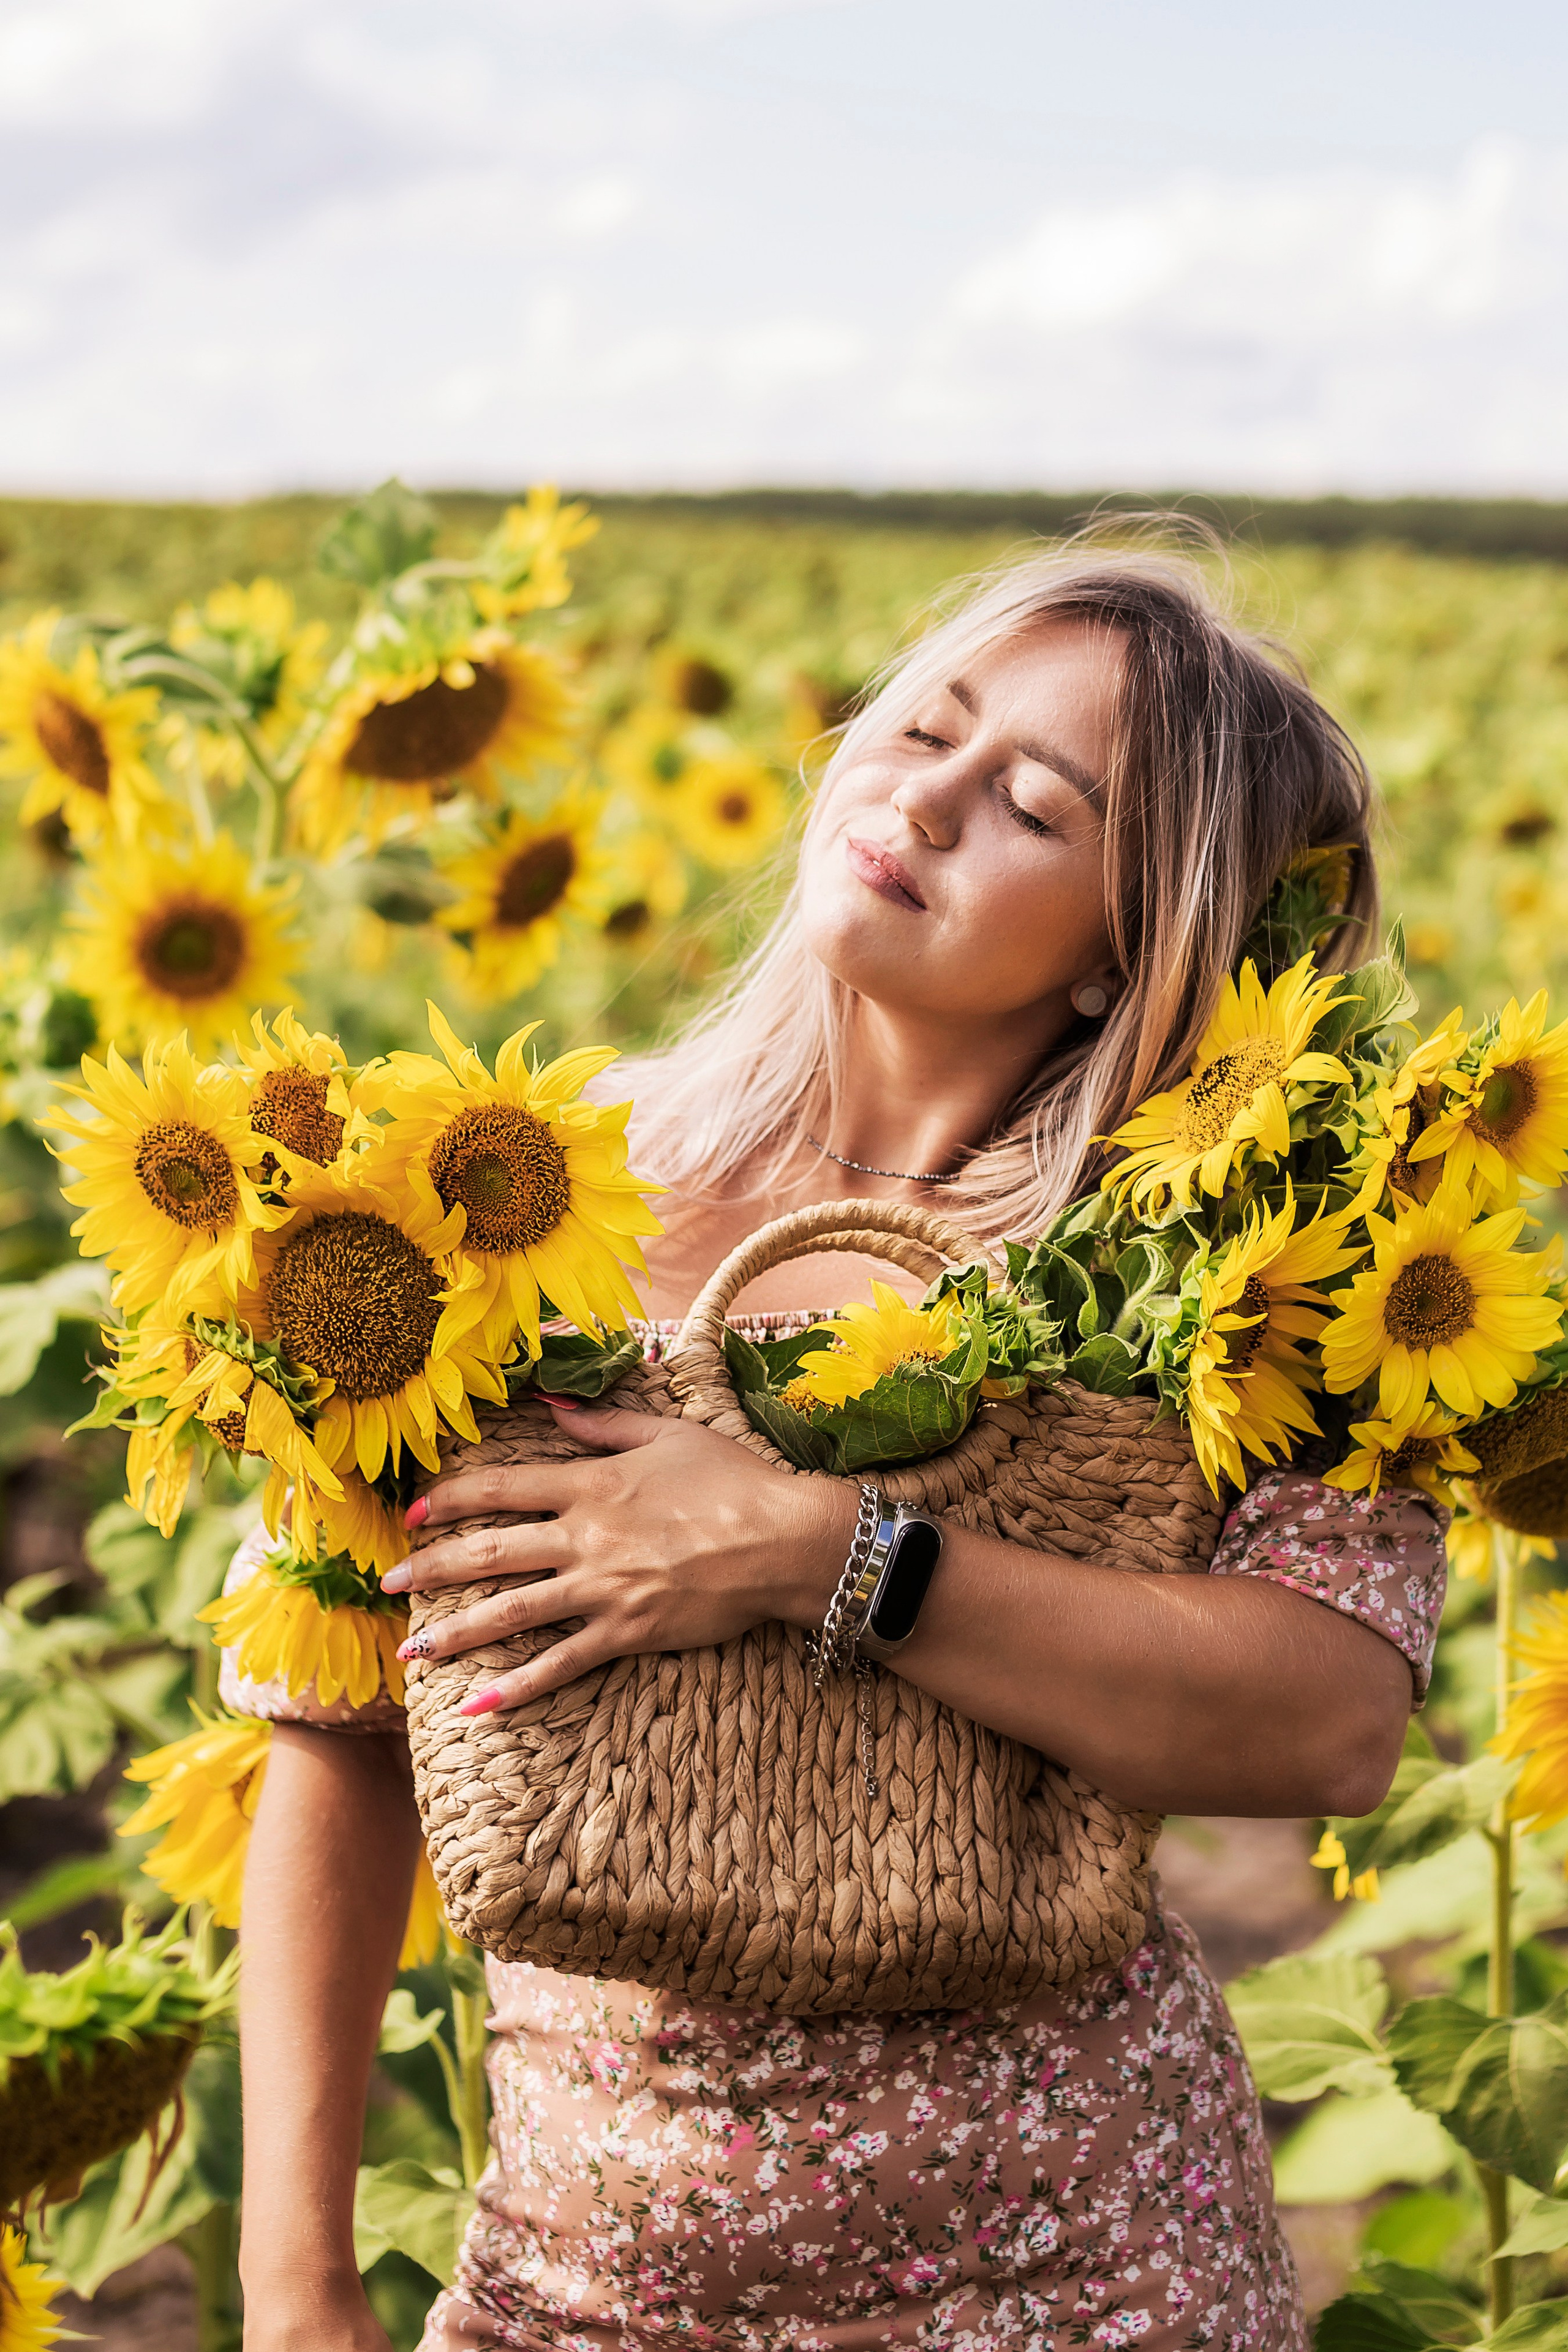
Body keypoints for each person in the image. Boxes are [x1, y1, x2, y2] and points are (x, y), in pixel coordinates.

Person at [236, 541, 1446, 2352]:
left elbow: (1331, 1717)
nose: (928, 801)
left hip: (1081, 2279)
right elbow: (331, 1733)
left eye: (1033, 806)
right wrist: (294, 2279)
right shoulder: (500, 1188)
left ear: (1139, 948)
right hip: (579, 2278)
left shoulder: (1233, 1267)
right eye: (923, 729)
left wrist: (820, 1550)